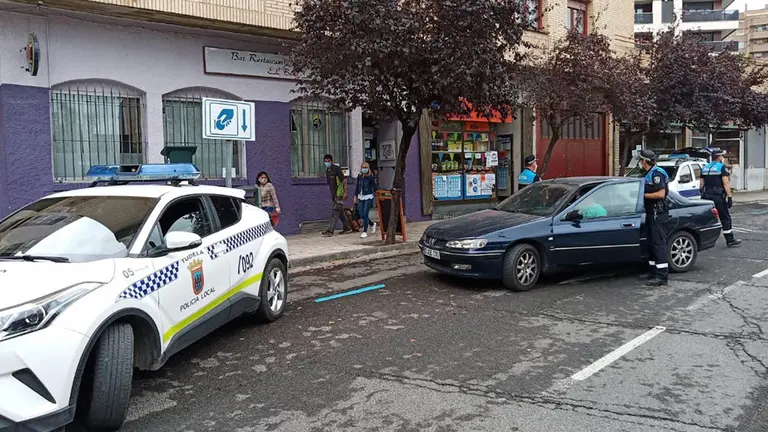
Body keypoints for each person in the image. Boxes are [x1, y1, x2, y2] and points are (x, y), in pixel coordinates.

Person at [638, 149, 670, 287]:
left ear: (645, 161)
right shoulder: (648, 174)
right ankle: (653, 271)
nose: (639, 162)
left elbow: (661, 194)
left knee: (658, 244)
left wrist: (642, 197)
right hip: (651, 212)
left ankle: (662, 276)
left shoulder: (657, 173)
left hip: (658, 212)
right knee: (650, 243)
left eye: (640, 160)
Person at [701, 149, 741, 247]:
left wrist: (702, 194)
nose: (722, 158)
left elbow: (701, 184)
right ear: (719, 157)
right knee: (725, 217)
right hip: (717, 196)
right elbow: (726, 183)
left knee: (708, 218)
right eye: (721, 156)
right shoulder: (721, 167)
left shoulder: (705, 167)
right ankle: (730, 240)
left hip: (706, 196)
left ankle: (705, 240)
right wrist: (730, 197)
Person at [322, 154, 352, 237]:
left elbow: (344, 181)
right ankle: (347, 227)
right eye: (325, 161)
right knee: (340, 212)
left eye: (328, 161)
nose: (327, 162)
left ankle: (330, 230)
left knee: (335, 212)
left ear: (332, 161)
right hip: (333, 194)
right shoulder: (328, 171)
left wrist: (345, 192)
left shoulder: (337, 169)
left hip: (339, 194)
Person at [354, 162, 378, 238]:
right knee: (361, 214)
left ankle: (365, 231)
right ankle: (372, 224)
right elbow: (357, 187)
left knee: (365, 213)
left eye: (365, 168)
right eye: (363, 168)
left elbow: (374, 187)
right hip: (360, 196)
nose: (364, 169)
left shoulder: (370, 177)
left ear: (368, 168)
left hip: (368, 196)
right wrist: (355, 196)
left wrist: (377, 194)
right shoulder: (360, 176)